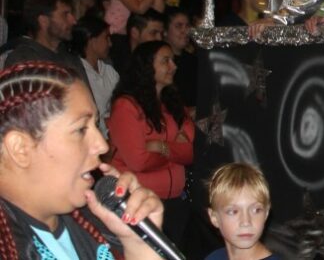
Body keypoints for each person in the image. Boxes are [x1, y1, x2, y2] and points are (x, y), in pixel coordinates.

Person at [0, 60, 166, 259]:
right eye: (80, 129)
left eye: (96, 125)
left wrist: (138, 244)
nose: (102, 145)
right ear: (20, 149)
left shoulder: (91, 221)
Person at [107, 41, 195, 246]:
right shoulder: (126, 106)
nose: (174, 66)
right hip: (140, 204)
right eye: (166, 61)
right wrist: (175, 149)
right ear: (147, 66)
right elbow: (139, 162)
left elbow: (190, 153)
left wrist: (162, 147)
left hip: (175, 204)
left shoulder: (173, 103)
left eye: (173, 60)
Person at [5, 0, 87, 85]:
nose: (73, 21)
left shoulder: (71, 59)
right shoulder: (22, 60)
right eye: (65, 15)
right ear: (43, 21)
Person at [205, 162, 279, 260]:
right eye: (233, 212)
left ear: (266, 213)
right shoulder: (213, 257)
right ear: (214, 218)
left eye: (256, 210)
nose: (246, 222)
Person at [71, 16, 119, 135]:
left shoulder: (109, 71)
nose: (110, 44)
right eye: (106, 38)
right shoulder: (76, 74)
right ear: (92, 41)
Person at [165, 9, 198, 117]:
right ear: (165, 31)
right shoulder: (158, 62)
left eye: (187, 26)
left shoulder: (194, 61)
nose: (185, 31)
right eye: (179, 26)